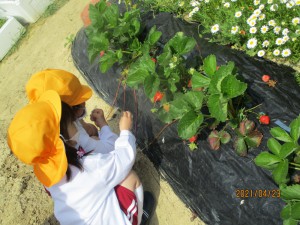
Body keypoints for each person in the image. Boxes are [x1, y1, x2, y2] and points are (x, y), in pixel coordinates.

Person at [7, 90, 143, 225]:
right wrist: (125, 131)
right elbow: (124, 158)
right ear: (63, 139)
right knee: (129, 177)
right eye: (72, 122)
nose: (76, 124)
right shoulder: (90, 166)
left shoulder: (46, 173)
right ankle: (138, 218)